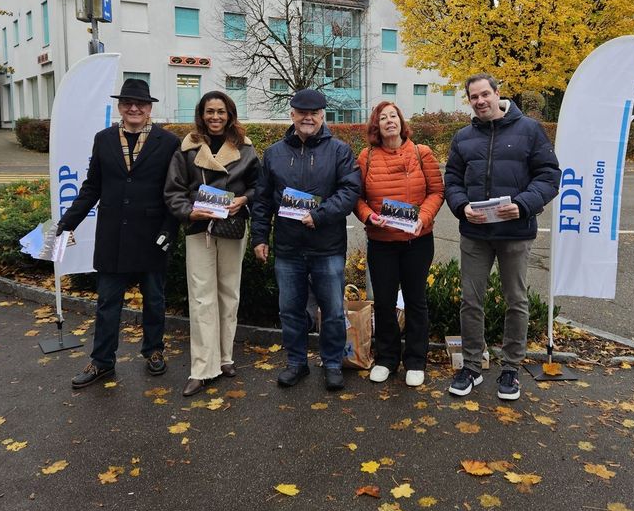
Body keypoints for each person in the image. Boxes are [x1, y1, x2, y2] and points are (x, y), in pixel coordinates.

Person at [57, 77, 180, 388]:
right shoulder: (104, 139)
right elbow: (92, 187)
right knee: (108, 303)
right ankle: (102, 362)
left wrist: (169, 230)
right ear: (120, 107)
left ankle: (153, 350)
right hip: (113, 236)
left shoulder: (168, 142)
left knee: (154, 299)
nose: (134, 108)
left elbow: (174, 191)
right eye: (128, 103)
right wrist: (67, 221)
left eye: (140, 104)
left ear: (150, 108)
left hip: (153, 235)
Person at [444, 73, 560, 401]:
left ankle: (510, 369)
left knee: (516, 301)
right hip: (475, 234)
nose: (480, 101)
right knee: (471, 301)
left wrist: (523, 205)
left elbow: (550, 175)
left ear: (497, 94)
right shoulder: (463, 137)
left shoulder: (530, 130)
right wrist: (461, 206)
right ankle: (471, 366)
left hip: (515, 232)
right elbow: (451, 179)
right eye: (473, 97)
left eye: (485, 94)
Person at [251, 88, 361, 391]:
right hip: (288, 248)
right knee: (290, 310)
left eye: (313, 113)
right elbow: (262, 200)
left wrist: (320, 215)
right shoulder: (274, 153)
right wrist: (260, 236)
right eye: (302, 112)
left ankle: (334, 362)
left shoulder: (340, 151)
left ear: (322, 115)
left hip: (327, 247)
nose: (307, 117)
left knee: (333, 310)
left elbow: (350, 192)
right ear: (292, 115)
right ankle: (296, 363)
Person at [164, 91, 260, 397]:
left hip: (232, 227)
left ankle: (225, 357)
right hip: (199, 228)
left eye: (221, 111)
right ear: (201, 114)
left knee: (229, 293)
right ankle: (203, 367)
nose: (215, 117)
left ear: (230, 114)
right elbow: (173, 191)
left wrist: (244, 199)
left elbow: (261, 186)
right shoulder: (187, 148)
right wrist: (189, 211)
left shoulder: (245, 149)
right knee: (202, 297)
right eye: (209, 112)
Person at [354, 101, 444, 387]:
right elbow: (356, 198)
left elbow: (436, 191)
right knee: (383, 302)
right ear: (376, 125)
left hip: (417, 241)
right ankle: (387, 359)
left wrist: (425, 217)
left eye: (393, 116)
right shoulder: (366, 157)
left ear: (401, 122)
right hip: (382, 243)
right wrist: (369, 217)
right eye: (383, 117)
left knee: (416, 301)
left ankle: (416, 361)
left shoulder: (421, 153)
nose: (389, 121)